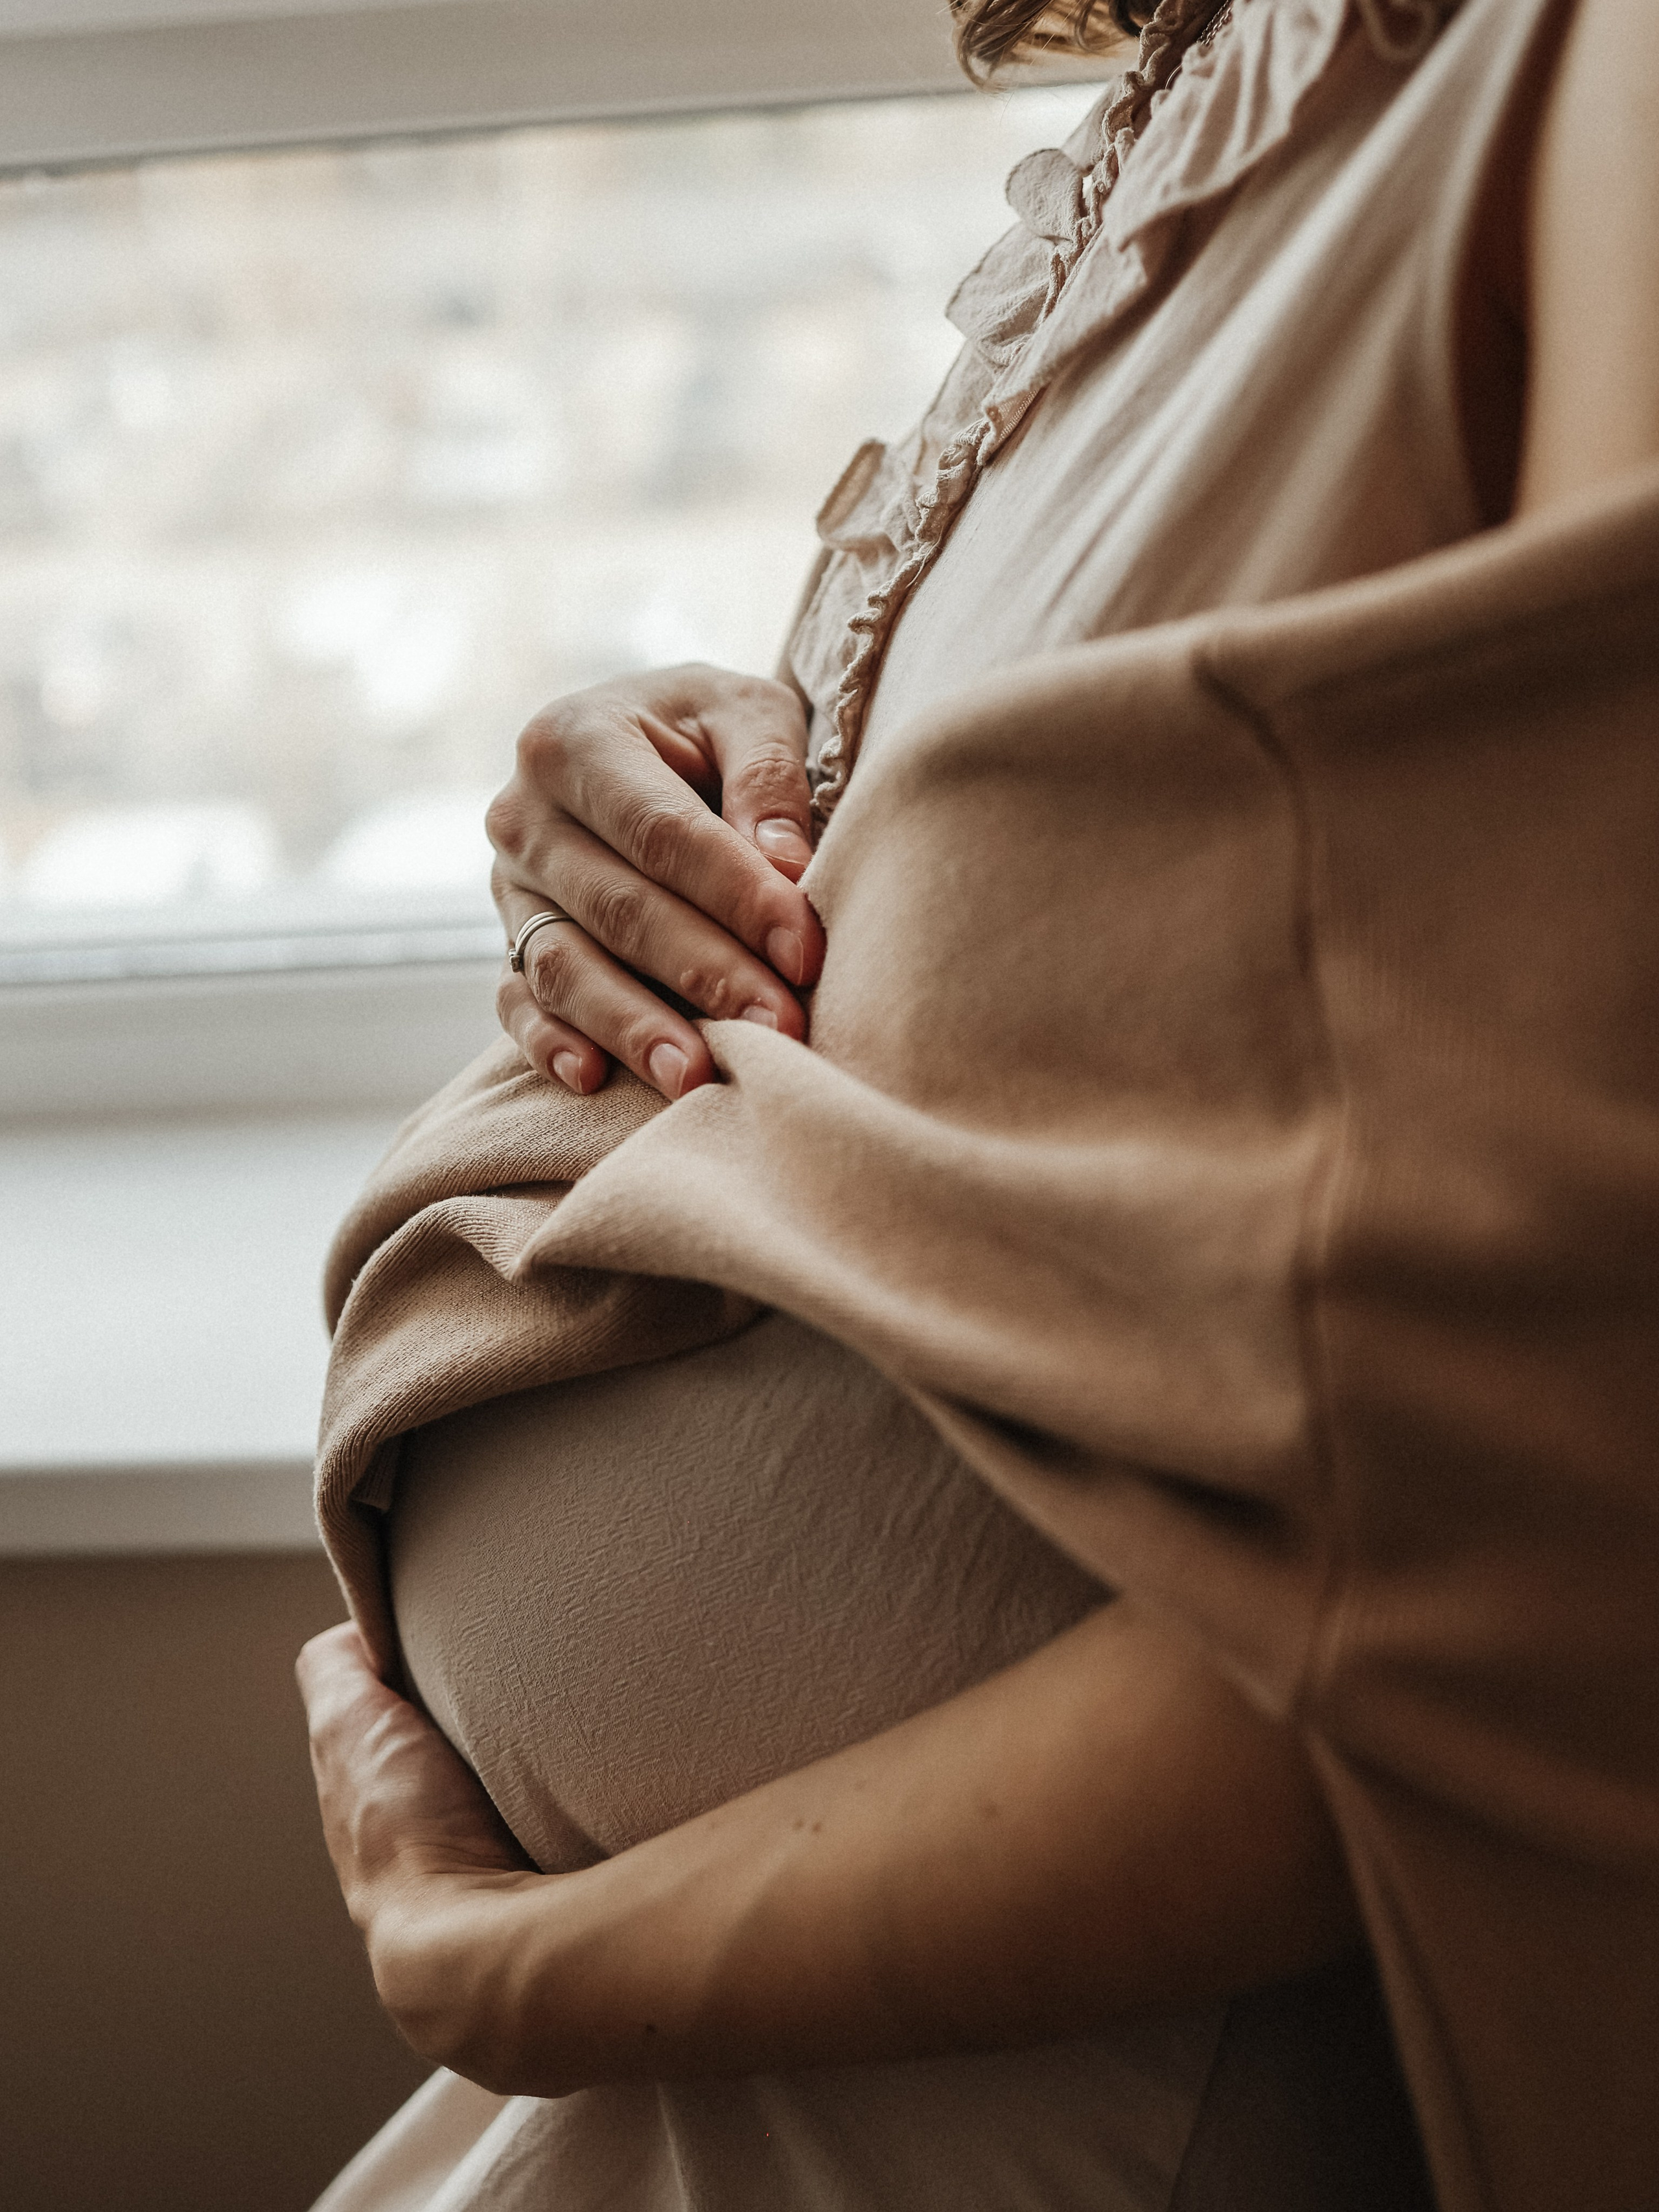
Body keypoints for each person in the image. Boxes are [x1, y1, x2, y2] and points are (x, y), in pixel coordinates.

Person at [299, 0, 1659, 2206]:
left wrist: (516, 1970)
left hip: (1076, 2105)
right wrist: (748, 784)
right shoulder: (1224, 59)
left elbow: (1592, 1524)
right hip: (725, 2079)